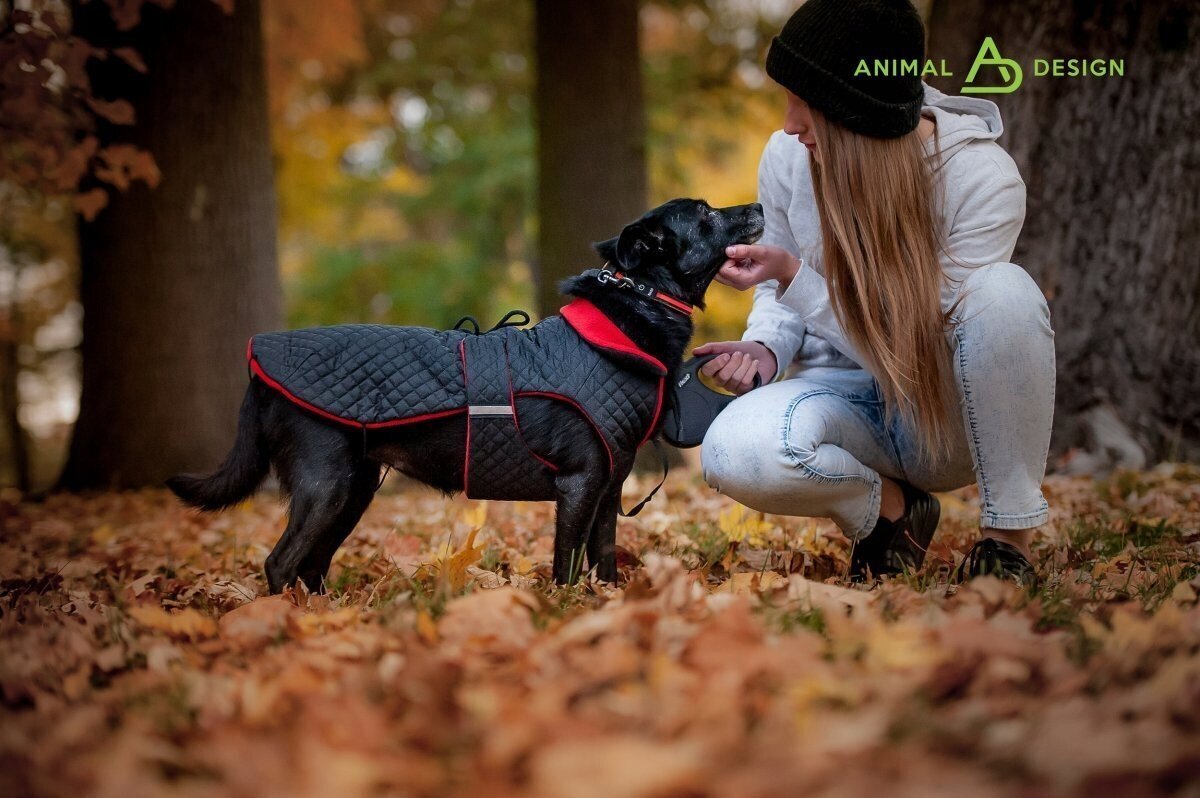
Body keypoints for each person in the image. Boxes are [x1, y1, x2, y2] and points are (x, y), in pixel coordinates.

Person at [696, 0, 1055, 585]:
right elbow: (775, 292)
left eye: (804, 104)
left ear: (853, 111)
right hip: (841, 398)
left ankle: (1006, 543)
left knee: (1004, 292)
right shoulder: (788, 158)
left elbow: (918, 348)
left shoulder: (981, 180)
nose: (789, 124)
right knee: (733, 450)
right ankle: (893, 512)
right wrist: (766, 347)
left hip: (940, 413)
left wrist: (796, 279)